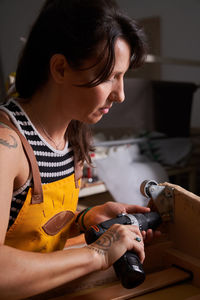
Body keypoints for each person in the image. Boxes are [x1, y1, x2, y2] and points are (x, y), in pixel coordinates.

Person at [0, 0, 157, 298]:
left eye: (123, 77)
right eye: (111, 76)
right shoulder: (7, 146)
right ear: (60, 68)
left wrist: (85, 218)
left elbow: (34, 230)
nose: (120, 95)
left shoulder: (72, 137)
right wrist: (97, 254)